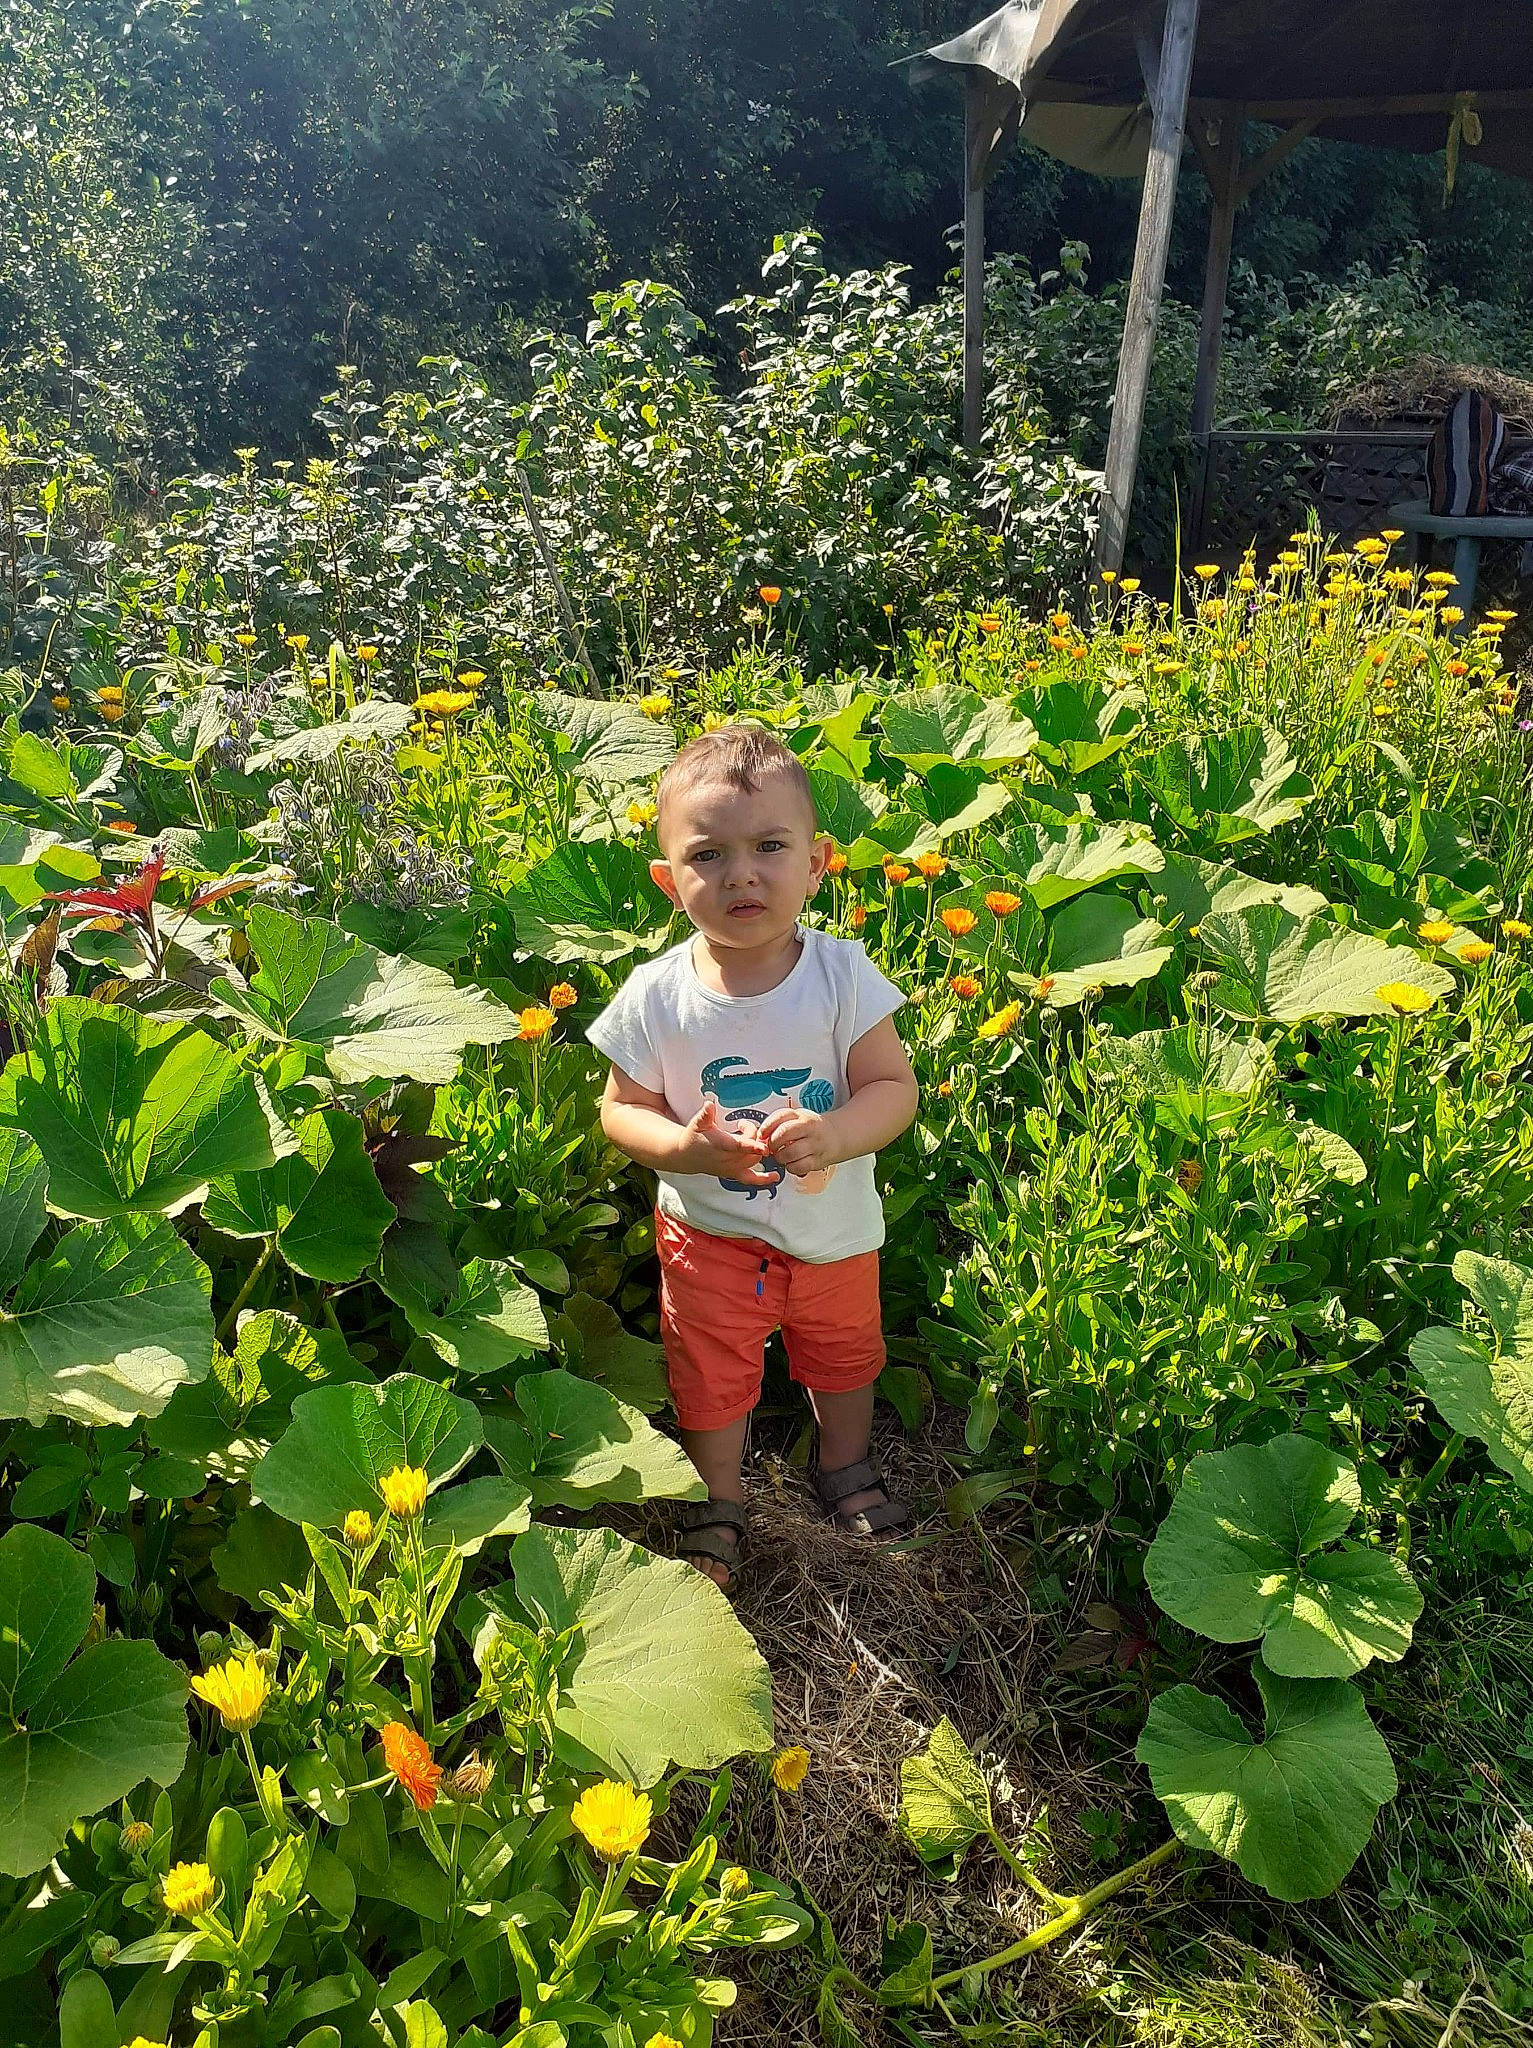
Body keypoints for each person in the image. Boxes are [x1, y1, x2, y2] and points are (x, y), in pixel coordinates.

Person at [587, 724, 919, 1591]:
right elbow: (621, 1113)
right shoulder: (655, 995)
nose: (741, 874)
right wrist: (687, 1150)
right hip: (708, 1236)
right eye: (708, 855)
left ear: (817, 864)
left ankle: (842, 1463)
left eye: (770, 847)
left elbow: (892, 1087)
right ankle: (719, 1495)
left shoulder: (843, 976)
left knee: (844, 1357)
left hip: (834, 1229)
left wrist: (840, 1134)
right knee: (708, 1371)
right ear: (669, 882)